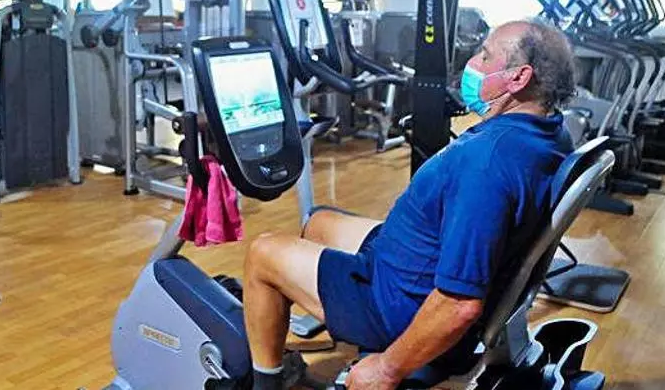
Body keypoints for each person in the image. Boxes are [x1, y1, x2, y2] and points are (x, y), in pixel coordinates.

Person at [242, 20, 577, 390]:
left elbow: (459, 304)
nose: (473, 63)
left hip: (399, 303)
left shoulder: (486, 163)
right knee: (319, 223)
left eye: (485, 56)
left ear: (518, 78)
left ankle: (266, 383)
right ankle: (334, 318)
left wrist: (387, 369)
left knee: (262, 253)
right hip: (410, 261)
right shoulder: (549, 131)